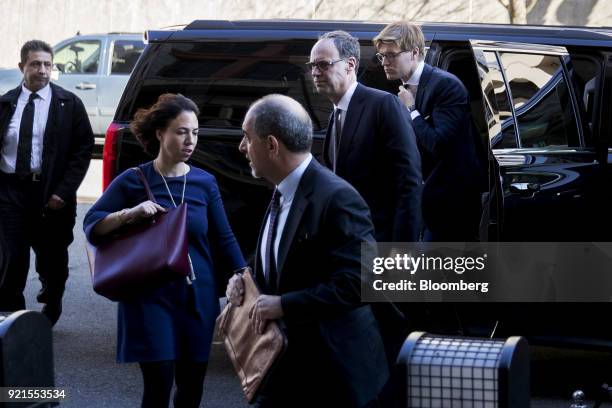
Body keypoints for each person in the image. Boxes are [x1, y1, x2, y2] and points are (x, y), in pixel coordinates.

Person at [83, 94, 246, 408]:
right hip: (149, 298)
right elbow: (92, 224)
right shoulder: (133, 180)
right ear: (160, 133)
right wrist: (130, 213)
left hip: (197, 298)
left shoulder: (204, 182)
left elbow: (224, 238)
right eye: (181, 131)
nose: (190, 140)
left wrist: (244, 278)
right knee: (158, 386)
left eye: (195, 133)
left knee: (191, 388)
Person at [226, 94, 388, 408]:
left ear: (272, 145)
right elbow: (280, 254)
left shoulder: (338, 198)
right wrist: (243, 276)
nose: (241, 148)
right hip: (286, 369)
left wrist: (284, 304)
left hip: (331, 376)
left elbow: (358, 283)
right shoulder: (281, 187)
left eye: (247, 138)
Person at [0, 40, 93, 324]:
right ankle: (13, 317)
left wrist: (63, 192)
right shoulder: (5, 104)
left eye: (47, 65)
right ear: (21, 67)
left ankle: (52, 299)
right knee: (10, 259)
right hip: (10, 191)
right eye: (35, 64)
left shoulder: (69, 104)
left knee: (51, 260)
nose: (42, 71)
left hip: (51, 194)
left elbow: (82, 150)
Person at [374, 21, 486, 241]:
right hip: (415, 204)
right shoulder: (399, 87)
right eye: (381, 56)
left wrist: (411, 111)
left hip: (449, 205)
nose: (384, 62)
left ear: (414, 52)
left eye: (391, 55)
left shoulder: (446, 85)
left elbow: (437, 143)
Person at [309, 30, 422, 243]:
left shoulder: (383, 105)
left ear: (350, 64)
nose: (315, 72)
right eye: (312, 66)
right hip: (347, 242)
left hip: (380, 240)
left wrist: (403, 249)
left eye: (323, 64)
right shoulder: (335, 114)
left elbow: (408, 181)